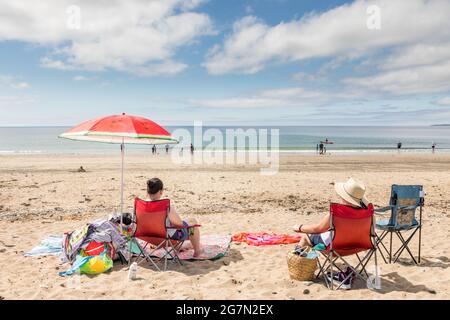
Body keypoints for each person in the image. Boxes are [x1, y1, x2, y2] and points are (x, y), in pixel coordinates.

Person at [292, 177, 369, 250]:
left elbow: (318, 229)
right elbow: (371, 232)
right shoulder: (367, 213)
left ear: (344, 197)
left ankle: (297, 260)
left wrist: (300, 227)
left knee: (306, 236)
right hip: (358, 245)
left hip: (336, 247)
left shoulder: (337, 213)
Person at [146, 178, 203, 257]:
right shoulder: (166, 206)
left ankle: (181, 246)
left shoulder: (142, 206)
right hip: (168, 237)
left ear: (148, 191)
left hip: (150, 237)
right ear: (161, 191)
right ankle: (197, 251)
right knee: (192, 223)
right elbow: (179, 224)